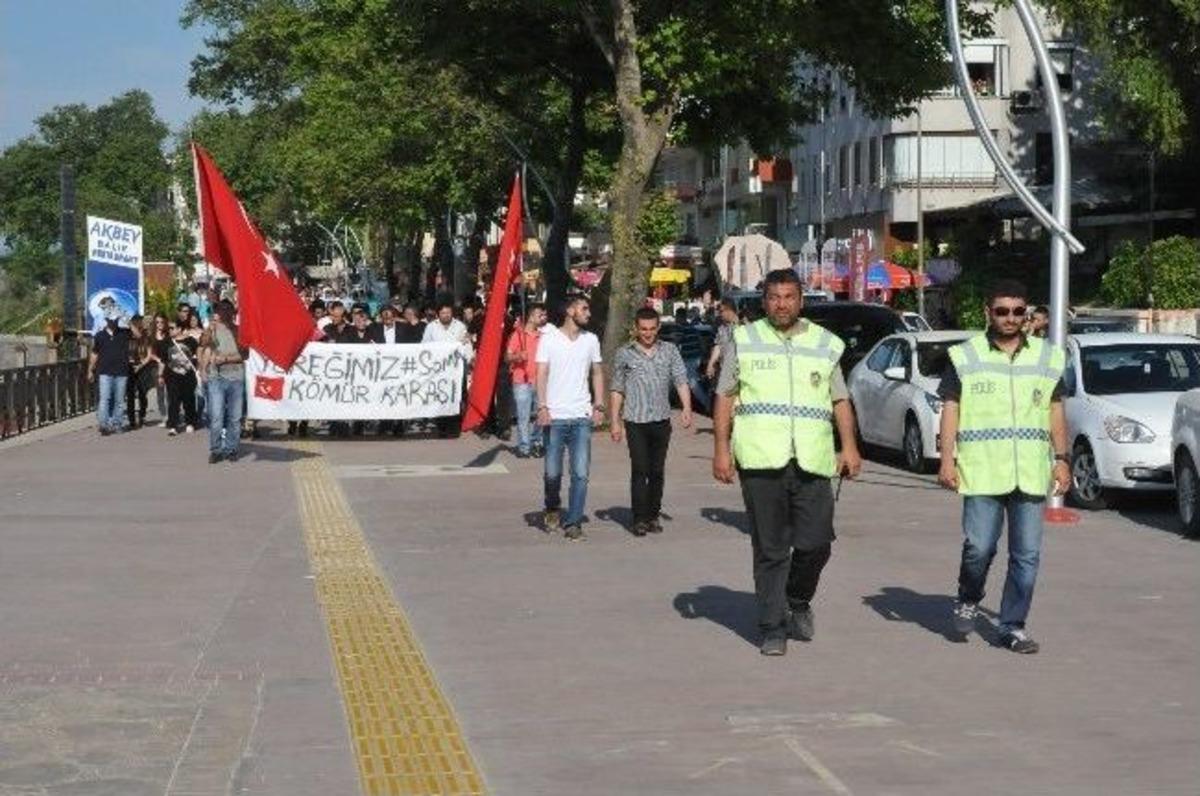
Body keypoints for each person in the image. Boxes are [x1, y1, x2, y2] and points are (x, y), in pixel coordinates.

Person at [712, 269, 863, 656]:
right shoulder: (745, 340)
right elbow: (725, 396)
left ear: (801, 300)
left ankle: (797, 598)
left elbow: (840, 399)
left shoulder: (824, 343)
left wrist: (849, 447)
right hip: (760, 459)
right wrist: (721, 449)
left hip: (813, 458)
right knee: (771, 548)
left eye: (789, 296)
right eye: (774, 297)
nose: (782, 304)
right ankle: (772, 627)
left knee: (817, 544)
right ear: (764, 301)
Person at [937, 280, 1069, 654]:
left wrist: (1062, 459)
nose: (1010, 318)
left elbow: (1055, 409)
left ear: (1026, 314)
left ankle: (1012, 626)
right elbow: (951, 409)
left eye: (1018, 311)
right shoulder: (965, 356)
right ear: (988, 313)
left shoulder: (1047, 357)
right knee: (978, 548)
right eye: (1002, 311)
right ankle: (969, 595)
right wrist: (947, 459)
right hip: (982, 471)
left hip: (1029, 471)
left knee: (1026, 556)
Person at [609, 307, 693, 536]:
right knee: (640, 469)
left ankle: (653, 515)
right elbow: (617, 388)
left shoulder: (670, 351)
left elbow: (681, 379)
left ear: (658, 328)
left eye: (652, 329)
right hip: (635, 420)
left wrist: (686, 407)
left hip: (661, 419)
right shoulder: (624, 353)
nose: (648, 333)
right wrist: (615, 421)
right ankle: (639, 519)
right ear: (636, 328)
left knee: (656, 471)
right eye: (643, 329)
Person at [536, 296, 605, 540]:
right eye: (584, 308)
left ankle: (573, 523)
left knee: (581, 473)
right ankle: (552, 506)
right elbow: (541, 373)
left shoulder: (591, 340)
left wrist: (599, 405)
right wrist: (542, 406)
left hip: (581, 417)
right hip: (554, 416)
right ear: (569, 310)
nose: (588, 313)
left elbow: (597, 373)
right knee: (552, 473)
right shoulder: (549, 338)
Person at [199, 300, 247, 463]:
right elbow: (204, 345)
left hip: (236, 378)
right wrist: (209, 330)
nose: (224, 312)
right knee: (216, 415)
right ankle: (216, 450)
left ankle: (231, 448)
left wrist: (225, 359)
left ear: (233, 312)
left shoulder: (239, 331)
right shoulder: (213, 329)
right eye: (221, 310)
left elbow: (245, 355)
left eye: (227, 309)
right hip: (216, 378)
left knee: (235, 417)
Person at [422, 298, 474, 438]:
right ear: (438, 314)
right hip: (438, 370)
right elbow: (424, 346)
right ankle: (442, 427)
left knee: (457, 397)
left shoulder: (460, 326)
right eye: (443, 313)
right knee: (440, 397)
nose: (446, 315)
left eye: (448, 313)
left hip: (457, 369)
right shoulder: (431, 327)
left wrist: (469, 360)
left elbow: (466, 344)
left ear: (452, 313)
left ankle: (455, 427)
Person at [505, 303, 547, 457]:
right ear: (530, 317)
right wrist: (518, 356)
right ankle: (524, 447)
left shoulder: (543, 337)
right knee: (524, 417)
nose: (543, 317)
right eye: (539, 315)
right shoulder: (518, 335)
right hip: (521, 381)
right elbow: (507, 357)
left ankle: (536, 442)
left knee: (541, 414)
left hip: (540, 381)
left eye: (543, 315)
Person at [87, 314, 133, 435]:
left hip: (121, 372)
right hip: (104, 372)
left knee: (119, 400)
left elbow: (138, 335)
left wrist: (128, 321)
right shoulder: (100, 335)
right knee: (104, 399)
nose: (113, 321)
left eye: (115, 319)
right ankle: (104, 425)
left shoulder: (124, 333)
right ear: (106, 320)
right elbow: (94, 353)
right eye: (110, 319)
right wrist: (90, 370)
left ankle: (117, 424)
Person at [158, 320, 199, 435]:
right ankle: (173, 426)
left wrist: (199, 369)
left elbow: (198, 355)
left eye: (172, 328)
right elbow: (163, 361)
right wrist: (160, 375)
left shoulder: (191, 341)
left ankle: (190, 422)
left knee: (189, 399)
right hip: (171, 375)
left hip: (188, 375)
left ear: (180, 329)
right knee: (173, 400)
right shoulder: (166, 342)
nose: (170, 330)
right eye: (169, 328)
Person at [125, 315, 153, 429]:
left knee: (142, 393)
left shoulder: (145, 336)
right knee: (130, 395)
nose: (137, 324)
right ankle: (131, 420)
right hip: (129, 367)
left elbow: (149, 355)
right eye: (135, 323)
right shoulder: (126, 336)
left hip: (142, 367)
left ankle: (142, 415)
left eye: (139, 322)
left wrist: (140, 365)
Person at [705, 298, 739, 380]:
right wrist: (710, 364)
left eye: (721, 311)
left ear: (729, 310)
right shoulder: (721, 328)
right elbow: (718, 346)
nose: (719, 314)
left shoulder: (743, 327)